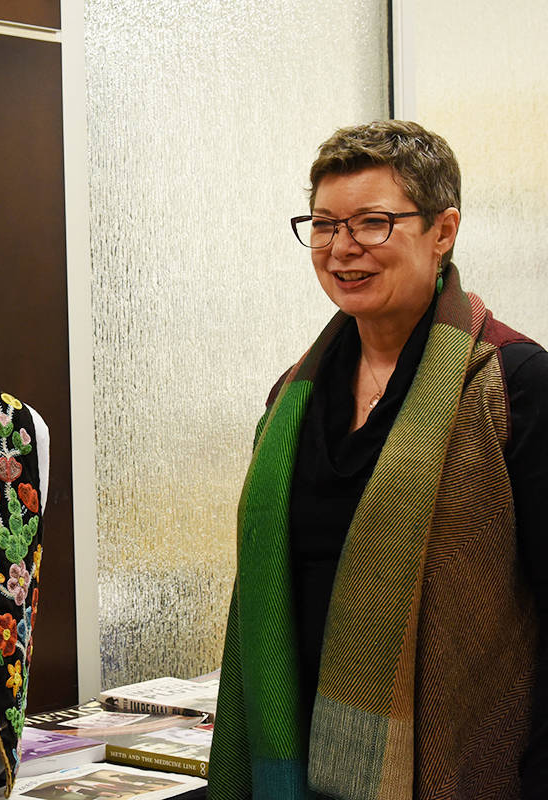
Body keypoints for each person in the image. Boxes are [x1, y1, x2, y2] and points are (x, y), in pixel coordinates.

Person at [208, 120, 548, 799]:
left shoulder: (513, 385)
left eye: (372, 223)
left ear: (443, 231)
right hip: (295, 762)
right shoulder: (291, 399)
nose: (342, 249)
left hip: (461, 767)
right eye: (326, 224)